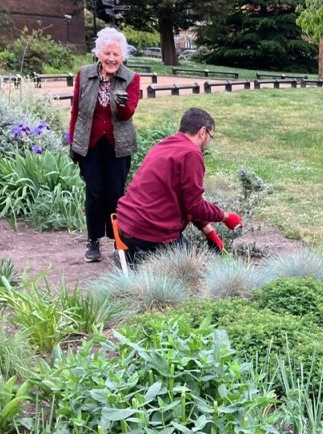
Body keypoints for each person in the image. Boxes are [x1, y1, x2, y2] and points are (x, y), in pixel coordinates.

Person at [115, 107, 242, 265]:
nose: (209, 142)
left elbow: (184, 199)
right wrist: (226, 217)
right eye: (211, 136)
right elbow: (194, 205)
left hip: (125, 226)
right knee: (197, 269)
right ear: (203, 132)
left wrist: (209, 232)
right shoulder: (191, 154)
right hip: (149, 235)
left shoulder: (165, 145)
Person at [69, 26, 141, 263]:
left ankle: (118, 240)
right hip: (90, 144)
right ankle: (93, 240)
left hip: (118, 146)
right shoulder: (84, 74)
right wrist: (73, 143)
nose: (111, 58)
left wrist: (122, 103)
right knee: (94, 192)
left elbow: (128, 114)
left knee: (115, 194)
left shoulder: (131, 78)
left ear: (122, 56)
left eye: (116, 54)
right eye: (107, 53)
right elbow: (76, 111)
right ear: (99, 53)